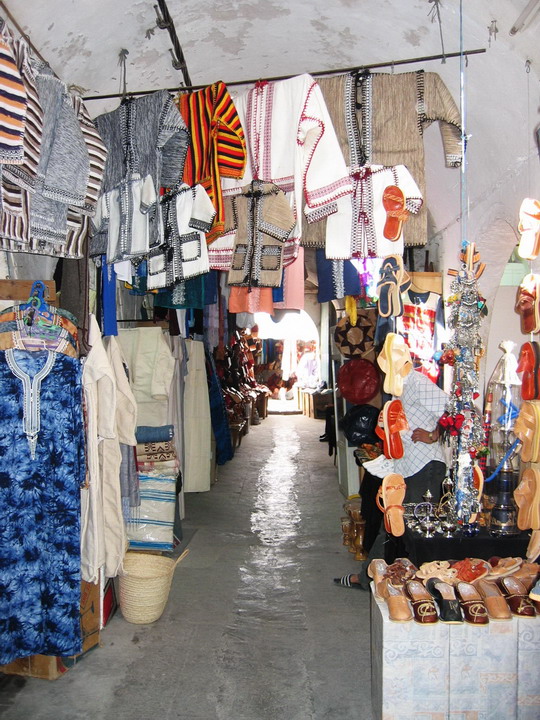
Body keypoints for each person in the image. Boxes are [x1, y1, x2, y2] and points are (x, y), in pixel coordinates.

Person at [335, 367, 448, 589]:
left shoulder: (417, 382)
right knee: (391, 522)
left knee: (416, 529)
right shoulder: (398, 387)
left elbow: (456, 410)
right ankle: (372, 576)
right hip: (406, 466)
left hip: (424, 467)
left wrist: (433, 435)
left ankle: (418, 583)